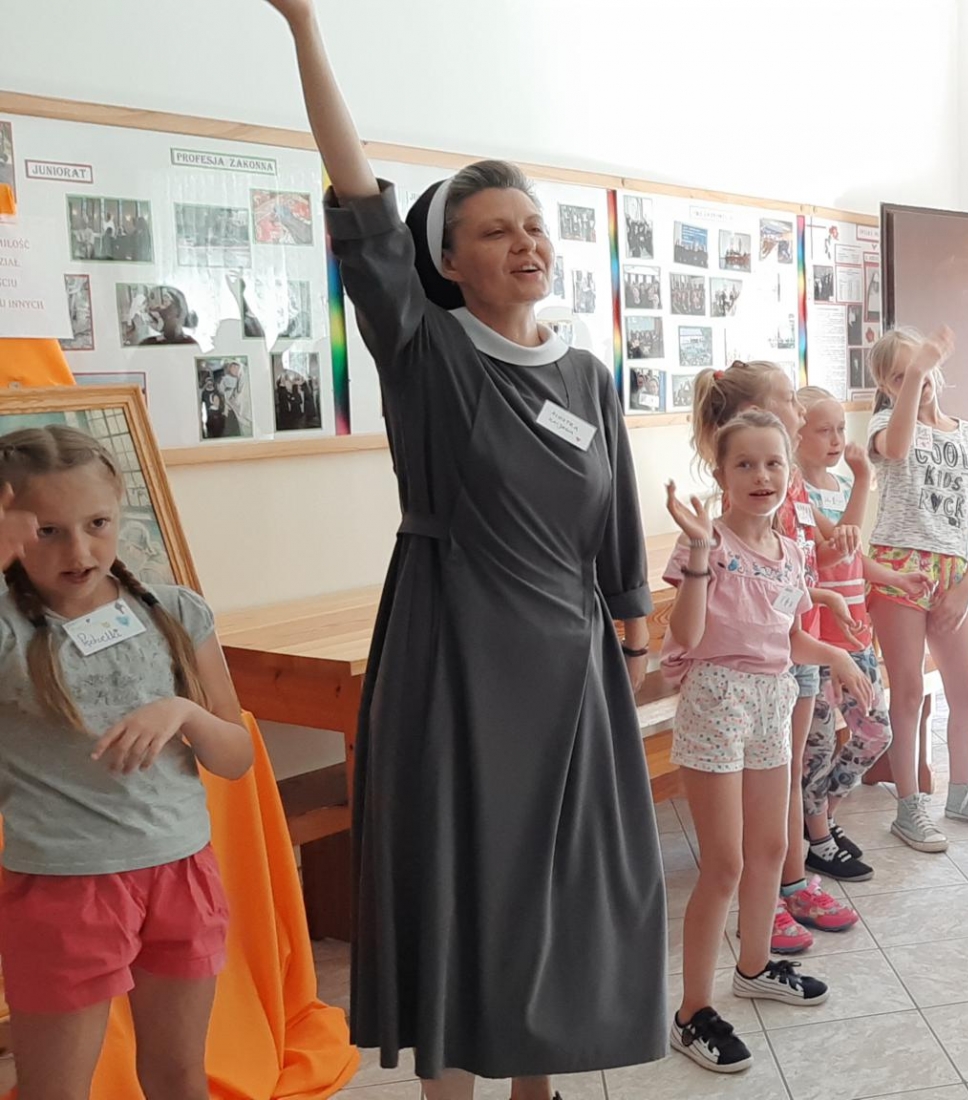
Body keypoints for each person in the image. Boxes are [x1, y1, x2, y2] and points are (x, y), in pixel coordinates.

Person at [264, 0, 667, 1093]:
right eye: (494, 231)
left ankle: (538, 1081)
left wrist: (632, 633)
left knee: (562, 887)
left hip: (571, 664)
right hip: (453, 651)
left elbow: (613, 521)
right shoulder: (426, 351)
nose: (524, 243)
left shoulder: (585, 375)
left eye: (533, 226)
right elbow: (360, 206)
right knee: (459, 875)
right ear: (446, 259)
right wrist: (305, 30)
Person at [0, 425, 255, 1100]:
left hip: (181, 868)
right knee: (55, 1089)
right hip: (64, 884)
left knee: (180, 1075)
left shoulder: (176, 612)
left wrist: (184, 712)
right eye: (48, 531)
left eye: (97, 524)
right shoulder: (8, 629)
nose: (80, 551)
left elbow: (236, 757)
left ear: (121, 510)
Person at [660, 411, 872, 1075]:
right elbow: (689, 636)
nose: (762, 476)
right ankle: (692, 1012)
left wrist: (836, 657)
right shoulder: (707, 543)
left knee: (773, 848)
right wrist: (700, 553)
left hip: (771, 700)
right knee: (724, 864)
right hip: (716, 701)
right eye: (745, 464)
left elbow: (788, 638)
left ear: (789, 471)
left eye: (773, 463)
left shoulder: (792, 551)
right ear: (720, 475)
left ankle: (754, 967)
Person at [690, 362, 862, 950]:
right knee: (769, 789)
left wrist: (823, 597)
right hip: (751, 668)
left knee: (787, 775)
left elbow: (797, 568)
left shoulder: (791, 487)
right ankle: (774, 898)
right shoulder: (742, 504)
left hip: (791, 648)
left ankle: (787, 886)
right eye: (790, 398)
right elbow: (731, 595)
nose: (800, 408)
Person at [866, 326, 968, 851]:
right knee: (907, 691)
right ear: (887, 385)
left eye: (924, 369)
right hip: (898, 568)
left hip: (952, 575)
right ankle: (909, 807)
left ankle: (963, 793)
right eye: (899, 376)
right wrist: (913, 378)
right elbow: (898, 444)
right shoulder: (885, 424)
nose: (916, 379)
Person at [794, 385, 909, 882]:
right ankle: (817, 835)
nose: (838, 439)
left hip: (856, 636)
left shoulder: (840, 484)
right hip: (820, 641)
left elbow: (855, 557)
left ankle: (821, 817)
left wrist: (895, 578)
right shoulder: (796, 491)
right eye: (824, 430)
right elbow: (838, 545)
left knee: (875, 731)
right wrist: (864, 480)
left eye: (841, 428)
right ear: (796, 433)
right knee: (818, 747)